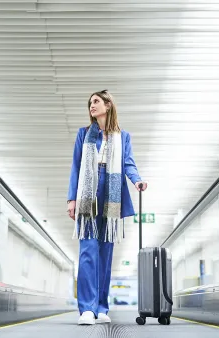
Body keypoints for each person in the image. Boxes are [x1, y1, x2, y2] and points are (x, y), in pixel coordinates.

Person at [67, 90, 147, 325]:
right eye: (90, 103)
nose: (92, 106)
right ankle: (87, 309)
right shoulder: (84, 134)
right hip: (88, 193)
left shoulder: (123, 137)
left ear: (109, 105)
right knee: (88, 251)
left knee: (105, 253)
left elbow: (128, 163)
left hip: (112, 194)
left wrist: (137, 180)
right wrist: (71, 199)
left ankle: (101, 306)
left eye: (96, 101)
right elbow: (75, 167)